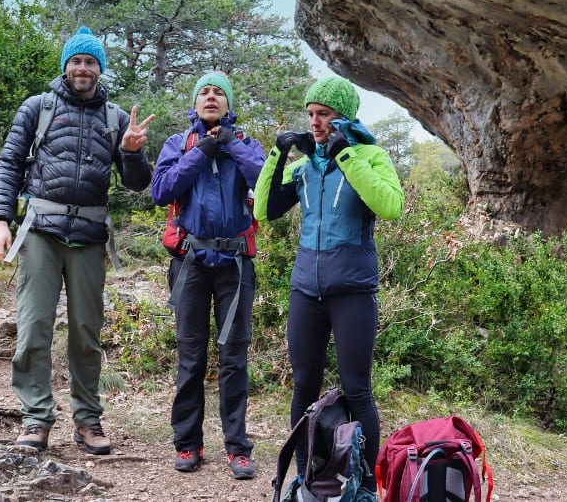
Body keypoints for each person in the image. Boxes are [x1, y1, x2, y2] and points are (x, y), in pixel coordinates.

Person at [0, 26, 154, 456]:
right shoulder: (37, 108)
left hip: (89, 237)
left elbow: (137, 184)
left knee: (85, 332)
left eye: (91, 62)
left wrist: (133, 151)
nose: (83, 68)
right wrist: (0, 222)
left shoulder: (115, 118)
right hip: (41, 231)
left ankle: (87, 420)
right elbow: (8, 165)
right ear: (66, 66)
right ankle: (35, 417)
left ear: (100, 69)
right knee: (33, 327)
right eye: (76, 61)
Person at [253, 76, 404, 495]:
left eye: (324, 115)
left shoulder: (371, 156)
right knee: (304, 387)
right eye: (311, 115)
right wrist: (277, 153)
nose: (315, 122)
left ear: (343, 118)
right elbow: (265, 210)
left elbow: (390, 206)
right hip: (306, 290)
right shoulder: (305, 168)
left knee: (358, 389)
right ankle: (306, 478)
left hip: (353, 291)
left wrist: (347, 156)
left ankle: (367, 486)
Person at [150, 71, 265, 479]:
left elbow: (265, 187)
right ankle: (188, 444)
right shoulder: (178, 145)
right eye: (205, 92)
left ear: (229, 104)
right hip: (190, 264)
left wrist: (230, 143)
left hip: (234, 266)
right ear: (195, 103)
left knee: (234, 358)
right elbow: (161, 190)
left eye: (219, 93)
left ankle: (237, 448)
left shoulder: (246, 145)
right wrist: (203, 150)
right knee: (191, 357)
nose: (211, 97)